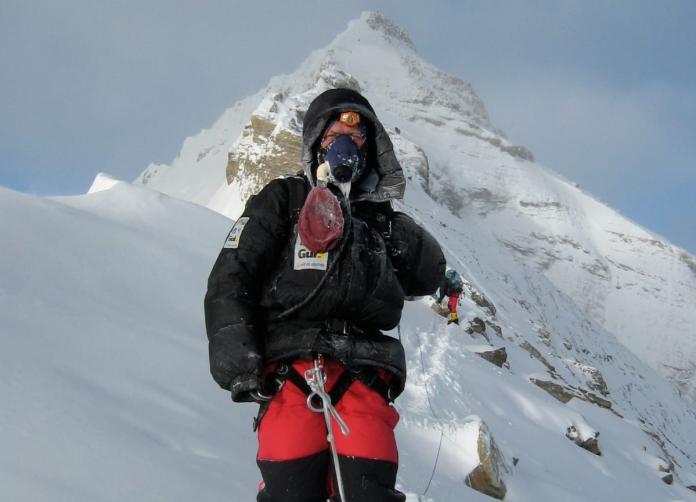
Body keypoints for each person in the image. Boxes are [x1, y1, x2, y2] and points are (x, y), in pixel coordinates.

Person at [204, 88, 445, 502]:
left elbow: (427, 274)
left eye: (356, 137)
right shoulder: (283, 201)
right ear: (317, 144)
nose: (345, 146)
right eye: (334, 137)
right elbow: (232, 273)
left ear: (373, 150)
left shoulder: (382, 221)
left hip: (365, 372)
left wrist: (391, 229)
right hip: (289, 372)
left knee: (371, 493)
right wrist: (237, 358)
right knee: (289, 492)